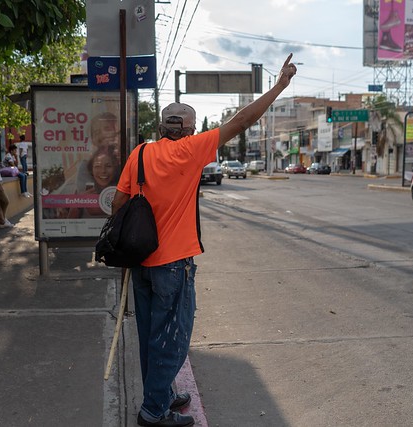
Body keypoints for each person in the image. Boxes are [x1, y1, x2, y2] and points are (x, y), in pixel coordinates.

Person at [111, 54, 297, 427]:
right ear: (190, 129)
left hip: (140, 261)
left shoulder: (140, 153)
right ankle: (153, 412)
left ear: (161, 127)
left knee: (150, 335)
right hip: (173, 264)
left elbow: (118, 203)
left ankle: (161, 394)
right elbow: (242, 120)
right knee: (172, 338)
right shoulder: (192, 149)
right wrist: (280, 85)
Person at [67, 147, 119, 218]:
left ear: (115, 169)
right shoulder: (81, 192)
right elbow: (70, 221)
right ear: (91, 170)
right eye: (97, 166)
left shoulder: (121, 192)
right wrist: (80, 202)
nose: (103, 171)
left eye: (108, 166)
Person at [75, 112, 119, 193]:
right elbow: (85, 193)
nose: (102, 135)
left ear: (117, 132)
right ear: (93, 139)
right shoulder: (86, 165)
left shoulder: (126, 157)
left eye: (107, 129)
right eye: (97, 132)